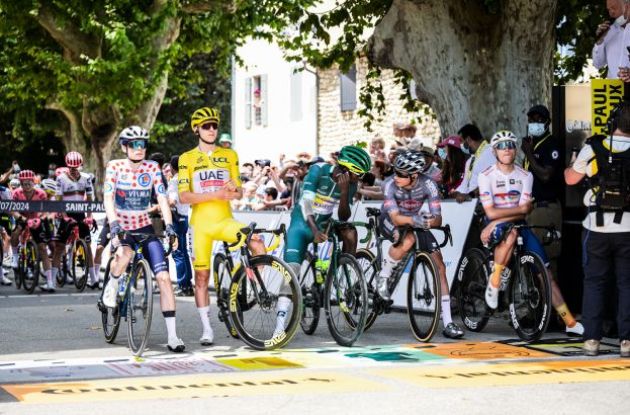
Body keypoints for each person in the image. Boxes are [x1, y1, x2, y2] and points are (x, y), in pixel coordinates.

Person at [178, 107, 266, 345]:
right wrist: (216, 193)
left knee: (257, 241)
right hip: (200, 225)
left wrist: (233, 191)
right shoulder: (187, 158)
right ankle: (207, 329)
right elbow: (184, 197)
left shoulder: (229, 155)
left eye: (214, 125)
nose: (211, 130)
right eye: (206, 126)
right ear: (196, 129)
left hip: (224, 220)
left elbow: (238, 193)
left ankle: (258, 290)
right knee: (202, 278)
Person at [101, 126, 184, 353]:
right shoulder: (115, 166)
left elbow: (162, 198)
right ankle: (113, 282)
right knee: (125, 253)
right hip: (122, 226)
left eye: (143, 145)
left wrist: (169, 226)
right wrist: (113, 223)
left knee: (165, 278)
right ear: (125, 146)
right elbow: (108, 198)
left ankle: (173, 336)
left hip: (145, 227)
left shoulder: (153, 167)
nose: (140, 149)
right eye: (134, 144)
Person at [374, 150, 464, 339]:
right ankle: (383, 276)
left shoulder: (429, 184)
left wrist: (428, 222)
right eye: (395, 171)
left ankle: (447, 321)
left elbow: (438, 219)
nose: (395, 176)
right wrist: (418, 220)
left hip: (415, 220)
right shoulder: (389, 184)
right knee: (406, 240)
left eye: (401, 174)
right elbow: (397, 218)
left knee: (439, 266)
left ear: (414, 176)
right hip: (390, 219)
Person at [564, 101, 630, 357]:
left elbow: (571, 179)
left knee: (594, 283)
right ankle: (626, 342)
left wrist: (572, 162)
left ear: (612, 123)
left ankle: (592, 339)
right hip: (627, 228)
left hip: (596, 228)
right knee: (627, 284)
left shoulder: (593, 146)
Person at [51, 151, 99, 290]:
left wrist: (89, 216)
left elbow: (90, 199)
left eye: (76, 167)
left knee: (88, 246)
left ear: (80, 165)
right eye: (71, 167)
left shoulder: (86, 178)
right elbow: (59, 199)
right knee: (59, 247)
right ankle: (51, 280)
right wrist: (64, 216)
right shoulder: (60, 178)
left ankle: (94, 279)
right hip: (66, 213)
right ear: (67, 166)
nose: (73, 170)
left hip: (80, 214)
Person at [10, 170, 54, 291]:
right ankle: (14, 257)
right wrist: (22, 218)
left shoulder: (41, 194)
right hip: (22, 217)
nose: (27, 186)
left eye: (29, 183)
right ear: (20, 183)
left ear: (33, 182)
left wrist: (39, 218)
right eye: (24, 184)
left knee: (43, 249)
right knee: (15, 233)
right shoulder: (16, 193)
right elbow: (12, 210)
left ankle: (50, 281)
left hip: (36, 219)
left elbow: (45, 210)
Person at [167, 155, 193, 297]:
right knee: (184, 253)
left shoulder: (174, 181)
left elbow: (172, 201)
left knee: (177, 254)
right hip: (185, 218)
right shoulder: (186, 180)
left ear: (172, 167)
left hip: (176, 220)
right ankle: (187, 285)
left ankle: (183, 285)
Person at [450, 124, 495, 203]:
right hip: (471, 206)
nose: (461, 145)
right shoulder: (471, 160)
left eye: (461, 141)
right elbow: (465, 184)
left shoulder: (491, 152)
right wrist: (456, 193)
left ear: (468, 139)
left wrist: (471, 195)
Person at [594, 0, 627, 79]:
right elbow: (598, 64)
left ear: (627, 6)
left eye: (614, 8)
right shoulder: (609, 32)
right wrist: (600, 41)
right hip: (614, 89)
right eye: (609, 9)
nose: (611, 13)